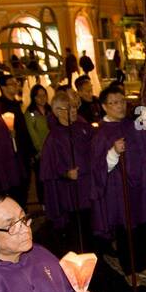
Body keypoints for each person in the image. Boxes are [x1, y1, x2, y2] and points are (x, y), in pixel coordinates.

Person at [89, 86, 146, 281]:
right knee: (126, 230)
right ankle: (129, 268)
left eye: (122, 101)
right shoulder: (102, 134)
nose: (120, 106)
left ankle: (142, 263)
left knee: (143, 226)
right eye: (114, 103)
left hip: (140, 186)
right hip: (118, 190)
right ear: (104, 107)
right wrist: (114, 153)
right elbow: (99, 168)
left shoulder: (133, 125)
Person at [38, 90, 93, 249]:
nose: (74, 111)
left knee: (89, 222)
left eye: (75, 107)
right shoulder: (53, 137)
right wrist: (65, 173)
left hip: (87, 184)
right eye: (69, 108)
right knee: (76, 226)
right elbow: (48, 169)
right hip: (69, 190)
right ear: (58, 112)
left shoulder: (83, 128)